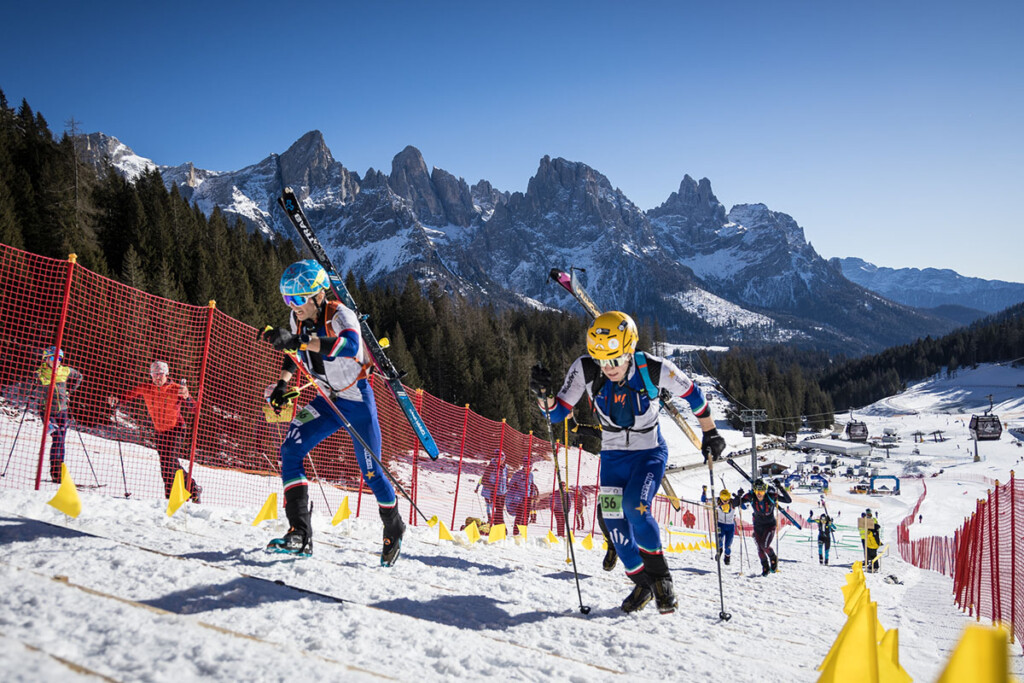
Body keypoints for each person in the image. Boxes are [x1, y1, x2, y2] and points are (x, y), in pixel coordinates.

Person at [530, 310, 727, 614]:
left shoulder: (654, 368)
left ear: (630, 350)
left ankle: (662, 579)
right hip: (612, 457)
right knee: (612, 522)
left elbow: (694, 394)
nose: (608, 368)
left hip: (649, 452)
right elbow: (556, 413)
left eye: (615, 360)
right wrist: (544, 396)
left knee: (634, 505)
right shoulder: (586, 369)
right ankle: (642, 583)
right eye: (601, 361)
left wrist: (711, 433)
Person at [258, 259, 405, 564]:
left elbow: (350, 346)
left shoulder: (340, 314)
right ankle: (299, 533)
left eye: (298, 299)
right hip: (327, 401)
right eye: (288, 299)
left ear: (317, 295)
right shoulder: (297, 318)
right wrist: (283, 385)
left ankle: (394, 524)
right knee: (291, 450)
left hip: (357, 401)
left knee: (371, 473)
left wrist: (298, 340)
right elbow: (295, 352)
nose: (293, 305)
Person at [110, 360, 201, 502]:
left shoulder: (176, 388)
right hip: (159, 431)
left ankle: (181, 492)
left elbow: (194, 408)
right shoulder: (146, 388)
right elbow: (128, 395)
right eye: (154, 374)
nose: (157, 377)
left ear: (166, 374)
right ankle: (185, 490)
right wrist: (116, 399)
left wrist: (187, 396)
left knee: (169, 461)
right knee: (166, 463)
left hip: (176, 428)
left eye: (160, 374)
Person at [34, 347, 83, 483]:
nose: (56, 362)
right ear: (46, 359)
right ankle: (55, 472)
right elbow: (37, 386)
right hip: (47, 411)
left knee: (61, 441)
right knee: (57, 438)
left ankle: (58, 472)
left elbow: (79, 376)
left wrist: (69, 391)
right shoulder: (41, 373)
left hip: (63, 411)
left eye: (59, 359)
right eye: (52, 358)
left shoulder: (65, 371)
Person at [732, 477, 793, 576]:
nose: (759, 494)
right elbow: (735, 504)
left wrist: (780, 487)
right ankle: (765, 567)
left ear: (765, 490)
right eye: (757, 491)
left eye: (761, 491)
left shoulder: (771, 496)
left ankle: (773, 559)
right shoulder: (751, 496)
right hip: (758, 525)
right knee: (760, 549)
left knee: (764, 546)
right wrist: (739, 496)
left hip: (770, 525)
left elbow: (788, 500)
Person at [476, 450, 508, 527]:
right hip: (491, 493)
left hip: (502, 493)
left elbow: (506, 480)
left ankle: (498, 526)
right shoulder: (491, 467)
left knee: (499, 510)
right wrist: (493, 487)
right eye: (498, 459)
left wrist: (507, 488)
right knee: (495, 510)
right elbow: (483, 480)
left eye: (502, 459)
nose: (500, 461)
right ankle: (496, 524)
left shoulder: (505, 468)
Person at [506, 463, 536, 534]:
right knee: (520, 515)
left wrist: (532, 494)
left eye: (530, 467)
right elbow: (510, 485)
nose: (529, 469)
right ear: (524, 467)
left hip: (528, 497)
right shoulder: (518, 474)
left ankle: (523, 532)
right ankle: (516, 532)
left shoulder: (531, 475)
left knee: (526, 516)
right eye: (527, 467)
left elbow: (532, 485)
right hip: (519, 497)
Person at [715, 490, 737, 566]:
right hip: (720, 524)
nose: (725, 501)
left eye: (727, 498)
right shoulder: (717, 501)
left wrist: (739, 498)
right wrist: (704, 492)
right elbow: (703, 500)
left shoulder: (733, 502)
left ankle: (727, 556)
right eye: (723, 498)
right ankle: (720, 549)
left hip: (730, 526)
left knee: (728, 545)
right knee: (719, 540)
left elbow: (744, 506)